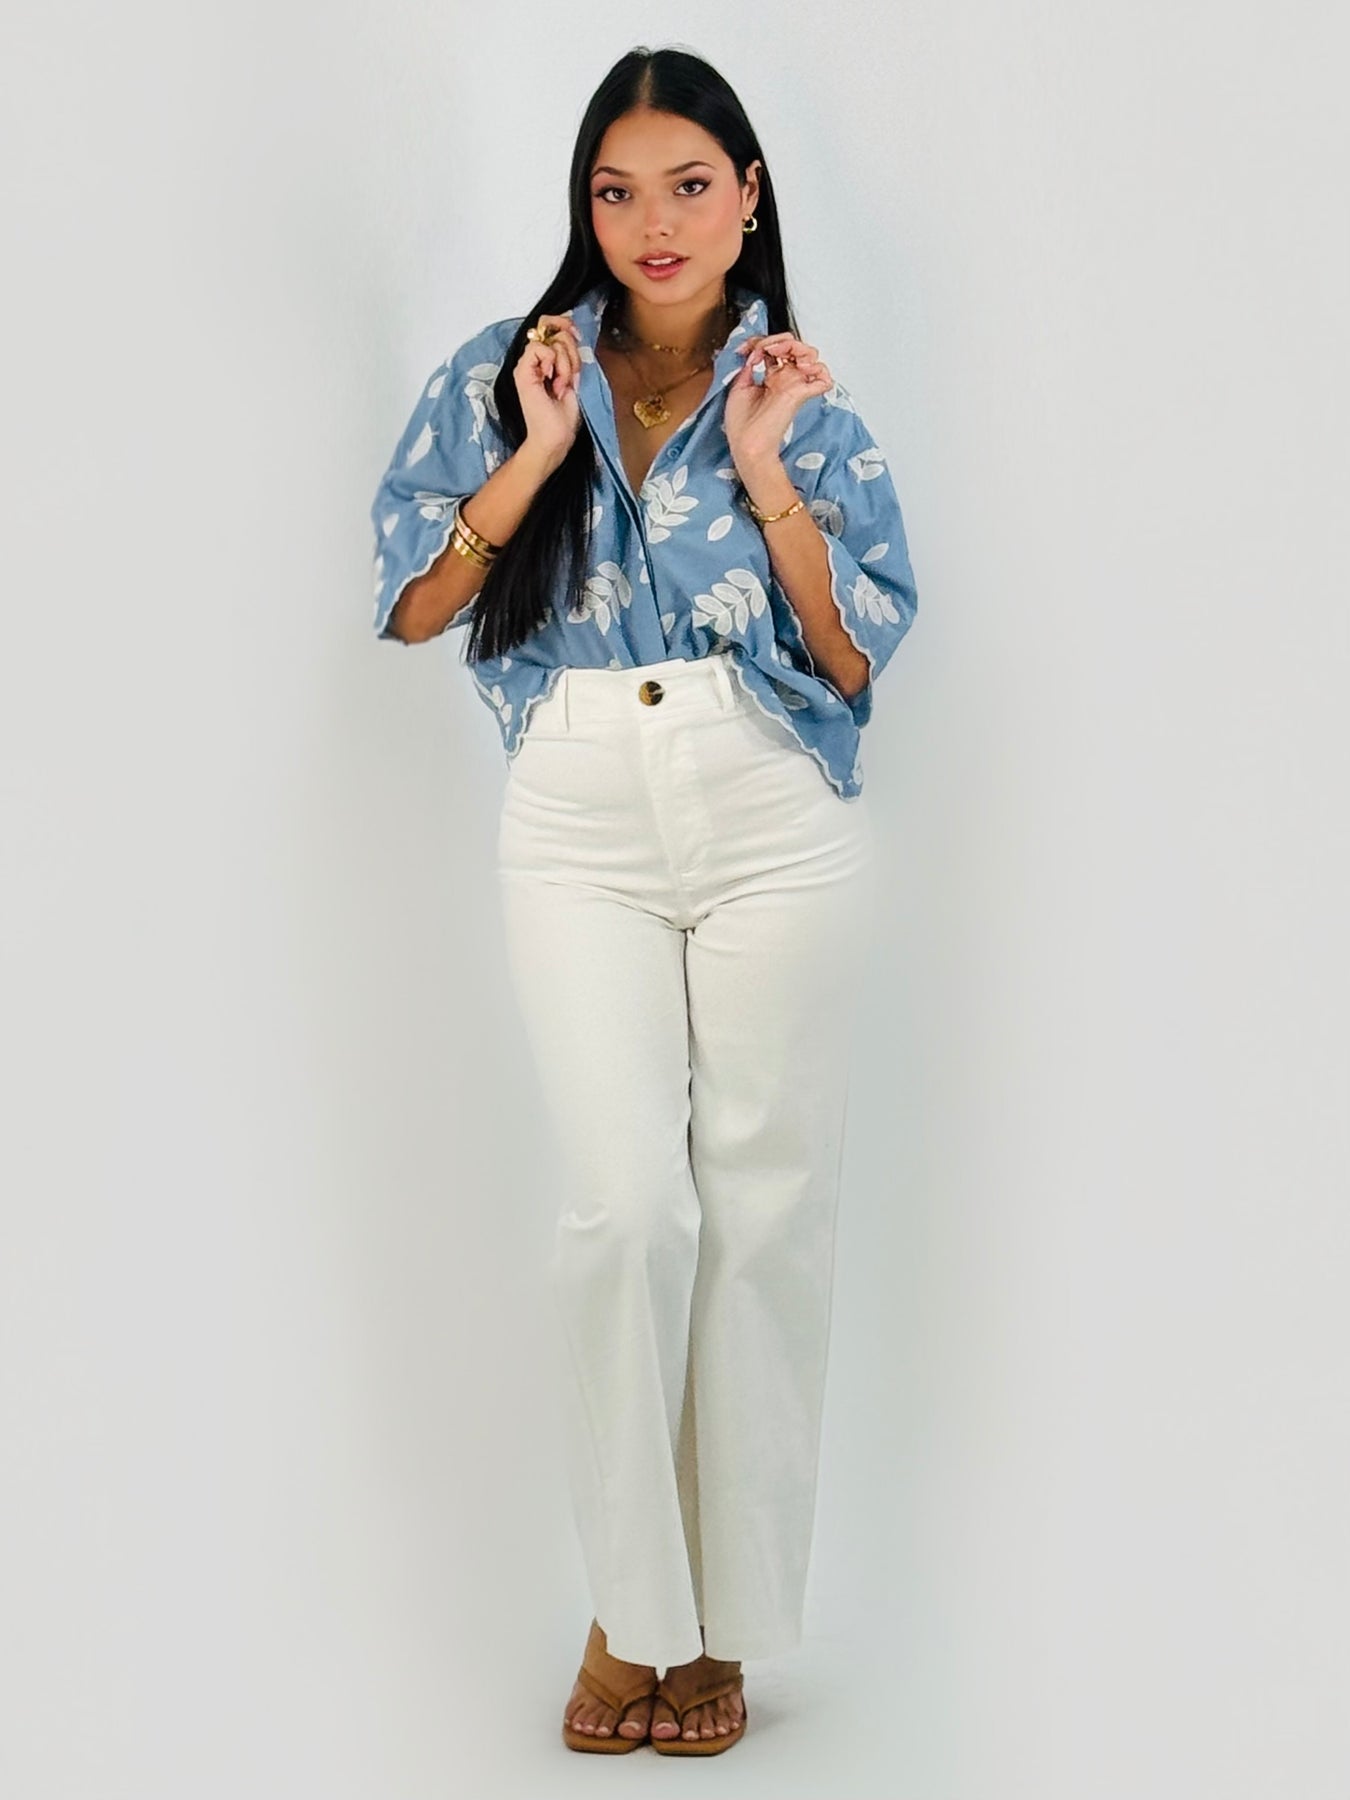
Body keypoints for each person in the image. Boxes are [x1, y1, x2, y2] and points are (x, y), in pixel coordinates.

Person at [369, 44, 919, 1757]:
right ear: (584, 207)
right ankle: (631, 1612)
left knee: (762, 1218)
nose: (652, 222)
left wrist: (764, 468)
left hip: (769, 808)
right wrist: (535, 456)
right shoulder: (510, 373)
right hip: (580, 807)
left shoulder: (801, 397)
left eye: (688, 185)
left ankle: (717, 1631)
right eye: (616, 191)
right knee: (623, 1214)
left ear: (748, 196)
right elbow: (410, 605)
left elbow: (852, 657)